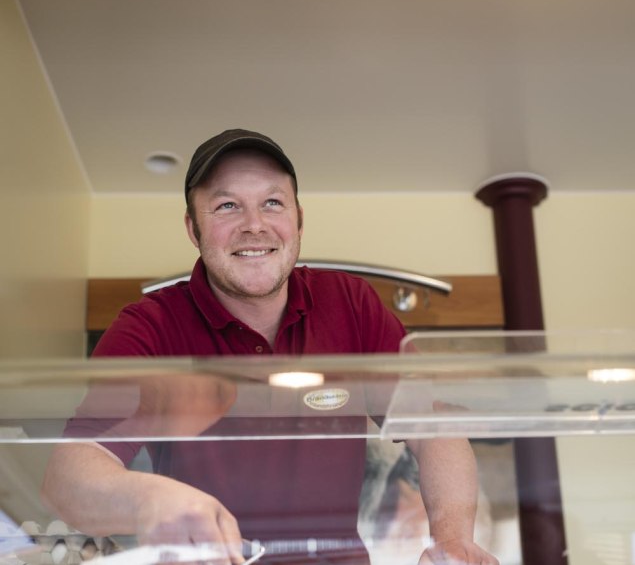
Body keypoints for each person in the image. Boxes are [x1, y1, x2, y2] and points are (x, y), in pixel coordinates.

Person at [41, 129, 498, 565]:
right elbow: (68, 477)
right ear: (192, 227)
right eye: (226, 206)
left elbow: (433, 428)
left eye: (273, 203)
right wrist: (148, 498)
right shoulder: (149, 326)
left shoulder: (352, 305)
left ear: (298, 219)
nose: (254, 225)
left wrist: (453, 539)